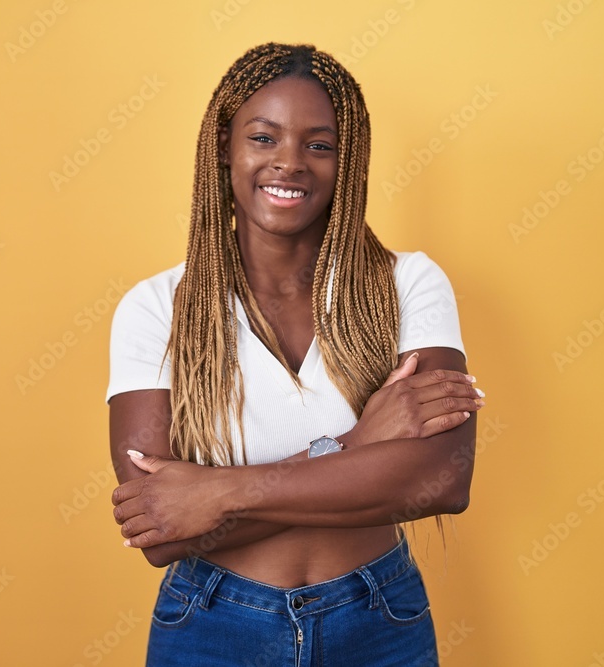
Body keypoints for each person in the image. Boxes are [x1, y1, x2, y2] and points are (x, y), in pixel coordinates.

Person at [104, 42, 482, 666]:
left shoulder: (408, 284)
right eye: (263, 137)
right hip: (211, 624)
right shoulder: (156, 308)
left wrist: (217, 494)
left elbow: (441, 479)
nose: (290, 163)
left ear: (347, 161)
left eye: (319, 144)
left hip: (380, 619)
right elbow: (161, 529)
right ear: (225, 149)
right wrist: (361, 443)